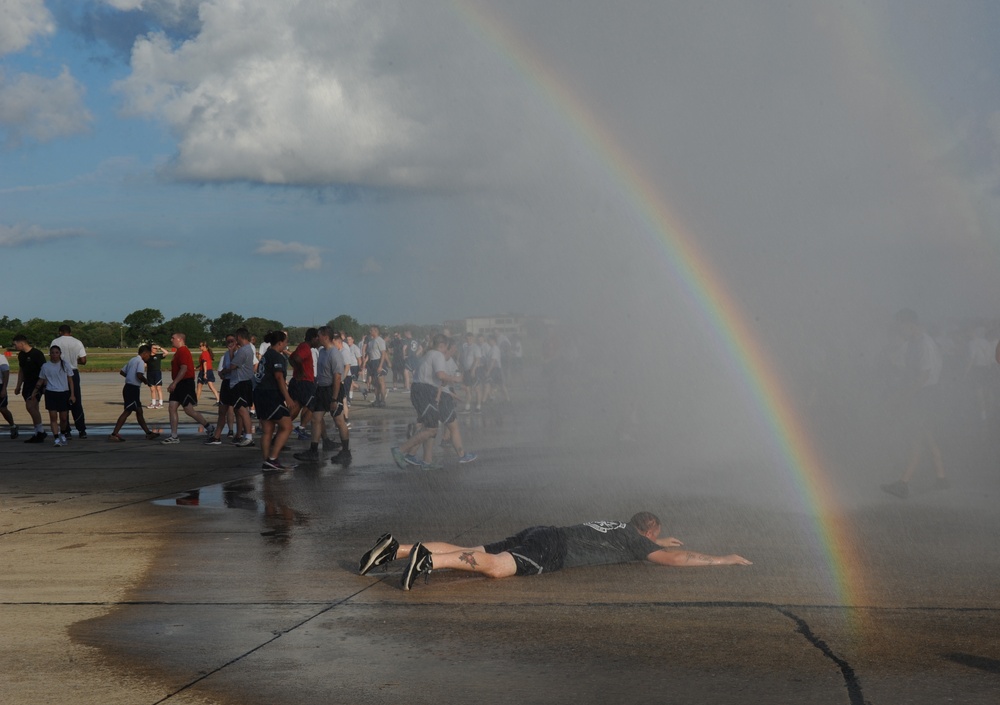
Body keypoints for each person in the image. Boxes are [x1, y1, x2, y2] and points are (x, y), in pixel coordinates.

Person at [358, 511, 752, 591]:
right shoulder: (635, 541)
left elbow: (647, 543)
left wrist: (655, 541)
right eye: (656, 537)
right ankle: (431, 562)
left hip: (542, 530)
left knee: (472, 548)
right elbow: (677, 559)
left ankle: (397, 549)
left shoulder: (618, 527)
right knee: (495, 568)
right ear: (649, 531)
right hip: (553, 549)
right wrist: (723, 558)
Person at [882, 309, 947, 498]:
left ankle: (903, 483)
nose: (900, 330)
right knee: (927, 436)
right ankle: (942, 478)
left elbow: (924, 376)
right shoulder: (912, 342)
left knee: (916, 438)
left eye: (901, 326)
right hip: (921, 394)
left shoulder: (925, 344)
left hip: (924, 395)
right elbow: (898, 361)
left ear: (910, 324)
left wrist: (904, 397)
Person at [390, 334, 476, 469]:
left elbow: (437, 379)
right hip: (424, 391)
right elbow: (440, 375)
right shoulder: (437, 355)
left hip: (423, 391)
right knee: (431, 429)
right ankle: (400, 450)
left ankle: (426, 461)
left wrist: (441, 391)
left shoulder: (429, 354)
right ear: (443, 346)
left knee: (431, 428)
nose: (447, 351)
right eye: (447, 348)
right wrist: (457, 379)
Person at [160, 333, 215, 444]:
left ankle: (209, 428)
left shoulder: (183, 351)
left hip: (185, 383)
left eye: (173, 338)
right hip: (179, 383)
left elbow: (184, 369)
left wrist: (174, 383)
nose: (171, 340)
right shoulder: (178, 352)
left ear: (180, 339)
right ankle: (174, 436)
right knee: (172, 407)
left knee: (189, 410)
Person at [254, 330, 295, 471]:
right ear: (280, 343)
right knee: (287, 426)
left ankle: (267, 462)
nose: (286, 344)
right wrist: (288, 398)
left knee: (268, 429)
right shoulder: (277, 357)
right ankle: (272, 459)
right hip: (270, 395)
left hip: (259, 394)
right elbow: (279, 378)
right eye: (285, 342)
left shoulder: (266, 355)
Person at [109, 345, 159, 441]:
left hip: (129, 388)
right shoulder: (140, 362)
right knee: (127, 411)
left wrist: (130, 376)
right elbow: (139, 375)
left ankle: (148, 433)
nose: (149, 357)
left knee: (139, 411)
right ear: (144, 354)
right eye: (148, 355)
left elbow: (122, 372)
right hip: (132, 389)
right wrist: (146, 382)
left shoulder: (133, 360)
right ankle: (114, 434)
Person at [32, 346, 76, 447]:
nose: (55, 355)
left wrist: (72, 394)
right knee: (53, 417)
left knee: (64, 418)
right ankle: (56, 438)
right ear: (49, 354)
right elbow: (41, 380)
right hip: (51, 393)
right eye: (53, 353)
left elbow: (70, 380)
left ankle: (63, 434)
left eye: (57, 353)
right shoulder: (45, 366)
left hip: (64, 393)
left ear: (60, 353)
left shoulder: (65, 364)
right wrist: (34, 392)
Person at [50, 324, 87, 438]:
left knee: (63, 404)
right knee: (76, 402)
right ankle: (81, 430)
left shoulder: (55, 342)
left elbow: (53, 358)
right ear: (70, 332)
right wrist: (74, 362)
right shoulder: (77, 342)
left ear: (60, 332)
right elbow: (84, 360)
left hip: (60, 372)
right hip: (73, 371)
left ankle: (66, 430)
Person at [13, 334, 47, 443]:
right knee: (34, 408)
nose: (14, 347)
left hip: (37, 383)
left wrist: (44, 385)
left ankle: (40, 431)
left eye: (15, 344)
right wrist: (18, 385)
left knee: (30, 406)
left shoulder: (37, 354)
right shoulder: (21, 356)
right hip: (27, 384)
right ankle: (38, 432)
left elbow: (45, 370)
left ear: (21, 343)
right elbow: (21, 370)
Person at [365, 325, 388, 407]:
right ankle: (377, 400)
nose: (370, 331)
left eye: (371, 330)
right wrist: (364, 362)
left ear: (376, 331)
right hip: (372, 362)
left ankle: (383, 401)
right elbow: (369, 354)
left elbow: (383, 353)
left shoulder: (380, 340)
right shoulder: (371, 342)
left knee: (381, 382)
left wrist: (380, 366)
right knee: (375, 383)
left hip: (378, 361)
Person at [0, 354, 19, 438]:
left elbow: (6, 373)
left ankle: (12, 426)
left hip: (0, 385)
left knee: (3, 408)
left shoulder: (1, 358)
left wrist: (4, 388)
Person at [146, 344, 167, 408]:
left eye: (156, 348)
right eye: (154, 348)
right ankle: (153, 403)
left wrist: (160, 347)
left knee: (158, 388)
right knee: (152, 389)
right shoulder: (148, 357)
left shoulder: (158, 356)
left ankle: (160, 403)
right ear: (151, 349)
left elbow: (166, 352)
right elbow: (144, 364)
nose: (156, 349)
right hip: (149, 373)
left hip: (157, 373)